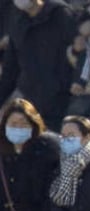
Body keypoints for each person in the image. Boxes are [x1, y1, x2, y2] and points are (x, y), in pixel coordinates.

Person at [0, 0, 77, 129]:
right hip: (30, 97)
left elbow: (75, 54)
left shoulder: (60, 14)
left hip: (61, 97)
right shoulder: (18, 22)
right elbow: (10, 69)